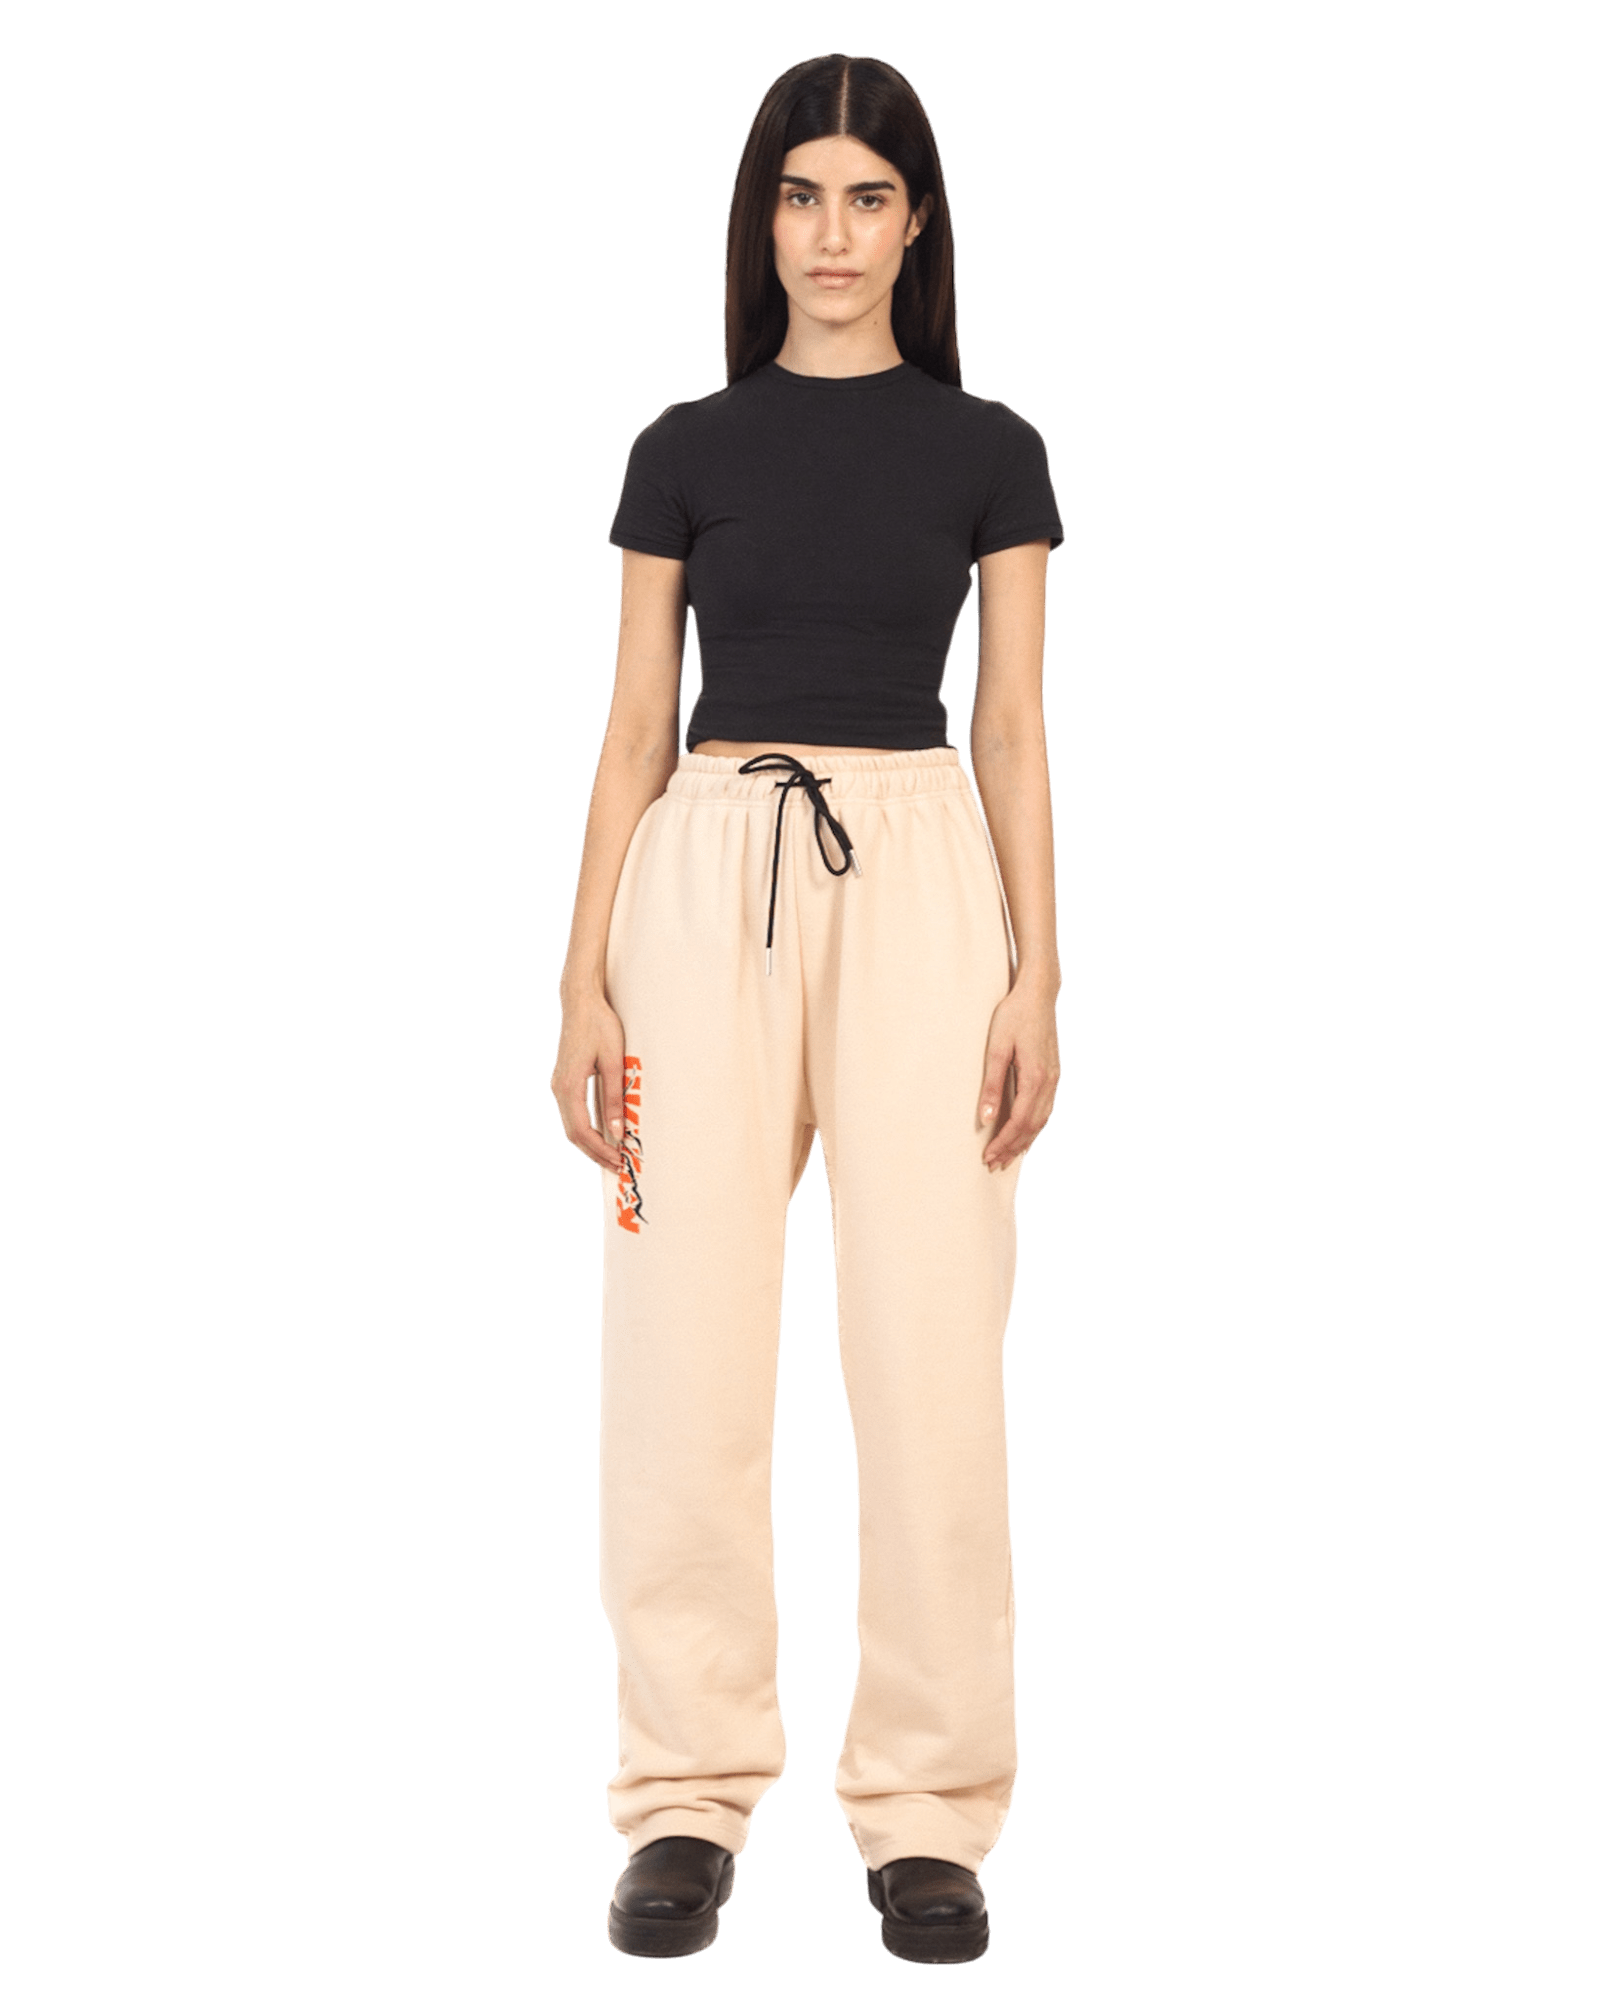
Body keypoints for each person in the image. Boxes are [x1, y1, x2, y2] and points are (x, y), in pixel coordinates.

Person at [550, 52, 1063, 1966]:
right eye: (798, 195)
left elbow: (1010, 725)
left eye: (866, 197)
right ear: (757, 219)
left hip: (924, 873)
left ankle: (928, 1809)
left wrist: (1039, 970)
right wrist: (581, 974)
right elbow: (632, 725)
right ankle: (685, 1796)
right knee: (679, 1345)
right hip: (701, 871)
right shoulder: (681, 445)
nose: (830, 234)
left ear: (916, 224)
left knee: (931, 1349)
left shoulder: (991, 449)